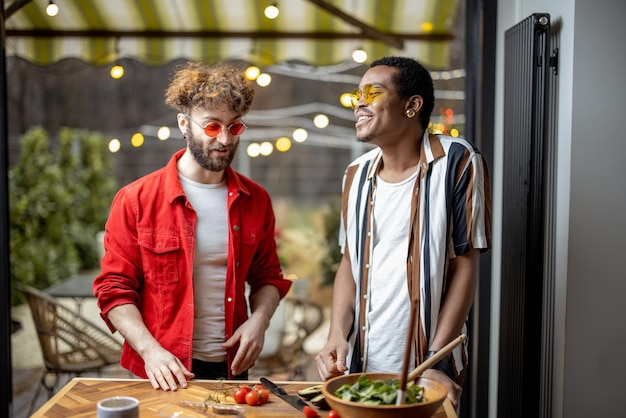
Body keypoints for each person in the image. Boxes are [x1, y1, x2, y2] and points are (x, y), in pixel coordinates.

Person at [93, 61, 292, 391]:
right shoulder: (135, 199)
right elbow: (114, 290)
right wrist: (150, 352)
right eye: (212, 127)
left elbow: (268, 277)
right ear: (184, 124)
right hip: (161, 370)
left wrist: (259, 321)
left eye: (235, 127)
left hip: (231, 366)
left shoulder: (256, 200)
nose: (225, 139)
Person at [314, 56, 492, 409]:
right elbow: (350, 262)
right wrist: (336, 335)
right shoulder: (355, 174)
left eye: (372, 92)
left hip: (427, 369)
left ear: (412, 105)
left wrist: (438, 361)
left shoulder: (458, 160)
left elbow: (465, 266)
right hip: (361, 366)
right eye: (356, 94)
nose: (358, 102)